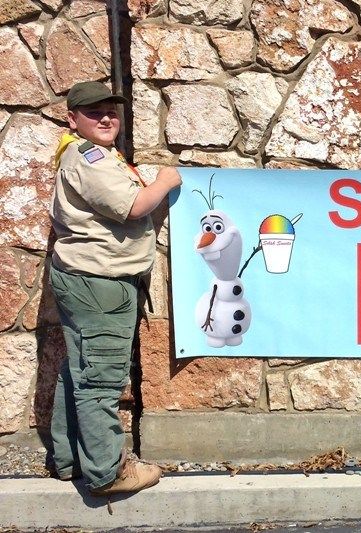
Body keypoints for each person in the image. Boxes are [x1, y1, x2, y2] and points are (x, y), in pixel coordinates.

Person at [48, 81, 182, 495]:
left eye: (112, 110)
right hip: (100, 282)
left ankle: (69, 459)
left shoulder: (95, 154)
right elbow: (132, 206)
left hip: (91, 278)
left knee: (81, 369)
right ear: (73, 119)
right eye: (94, 112)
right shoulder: (89, 158)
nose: (106, 118)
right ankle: (108, 473)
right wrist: (165, 181)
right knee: (100, 378)